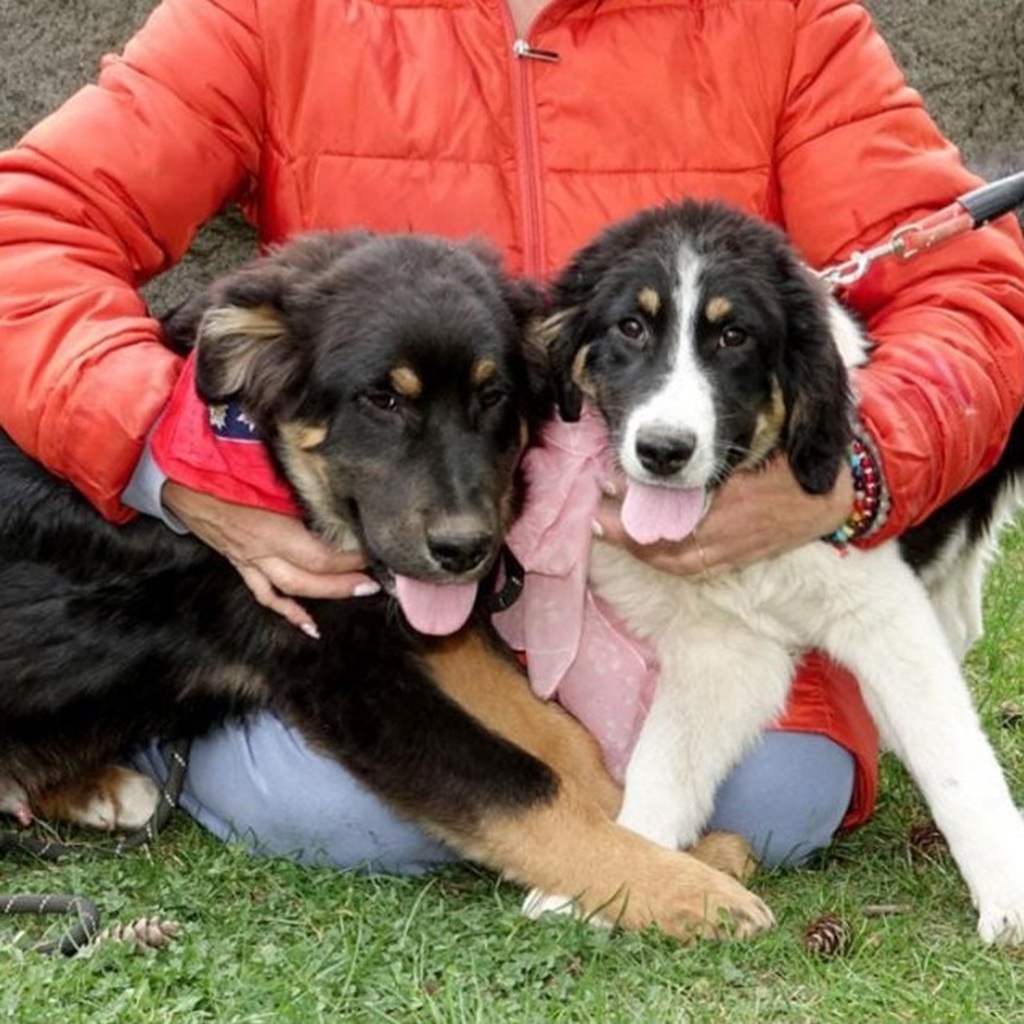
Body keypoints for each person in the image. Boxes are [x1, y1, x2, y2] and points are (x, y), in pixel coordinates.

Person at [1, 0, 1022, 875]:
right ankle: (156, 724)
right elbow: (30, 232)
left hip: (679, 599)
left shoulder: (785, 21)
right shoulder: (275, 11)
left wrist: (849, 471)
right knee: (335, 812)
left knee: (776, 796)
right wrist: (171, 460)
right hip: (377, 606)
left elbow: (974, 289)